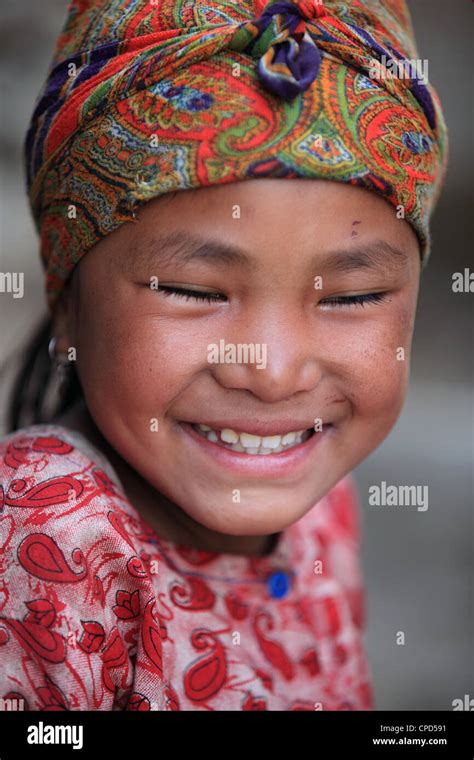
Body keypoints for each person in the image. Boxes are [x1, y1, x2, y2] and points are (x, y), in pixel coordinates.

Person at [0, 0, 447, 710]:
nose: (273, 372)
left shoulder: (321, 503)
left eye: (352, 297)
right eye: (190, 290)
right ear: (67, 302)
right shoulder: (50, 533)